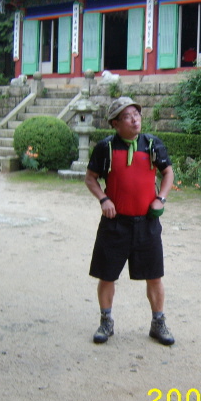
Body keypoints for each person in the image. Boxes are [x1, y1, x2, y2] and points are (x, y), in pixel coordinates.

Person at [85, 96, 175, 346]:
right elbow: (90, 178)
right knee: (107, 275)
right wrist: (104, 199)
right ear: (115, 123)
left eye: (136, 114)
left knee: (154, 276)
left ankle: (158, 323)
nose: (135, 120)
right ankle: (106, 321)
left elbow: (168, 172)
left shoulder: (152, 144)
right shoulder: (106, 147)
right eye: (127, 116)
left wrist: (161, 199)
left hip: (147, 223)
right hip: (114, 224)